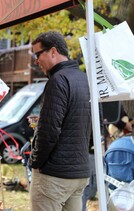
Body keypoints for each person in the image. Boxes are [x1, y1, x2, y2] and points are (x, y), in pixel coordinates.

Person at [28, 31, 91, 211]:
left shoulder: (58, 80)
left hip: (54, 176)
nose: (36, 61)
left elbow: (49, 131)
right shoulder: (84, 79)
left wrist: (35, 161)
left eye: (38, 54)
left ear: (53, 51)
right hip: (79, 174)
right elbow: (89, 123)